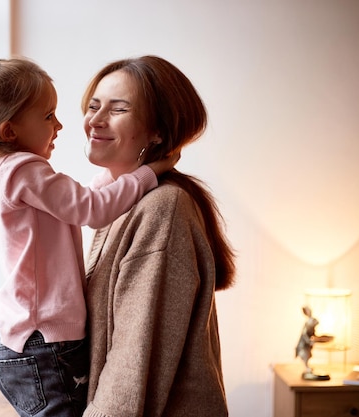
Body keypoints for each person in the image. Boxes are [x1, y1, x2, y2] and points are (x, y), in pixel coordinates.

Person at [0, 51, 178, 417]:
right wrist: (149, 174)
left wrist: (124, 177)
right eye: (48, 116)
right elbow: (91, 208)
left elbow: (85, 201)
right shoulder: (24, 169)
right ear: (9, 130)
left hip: (28, 344)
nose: (61, 125)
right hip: (44, 344)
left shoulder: (2, 169)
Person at [81, 55, 236, 416]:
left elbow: (132, 361)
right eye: (93, 106)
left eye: (117, 109)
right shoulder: (118, 203)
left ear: (158, 132)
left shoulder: (162, 208)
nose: (95, 121)